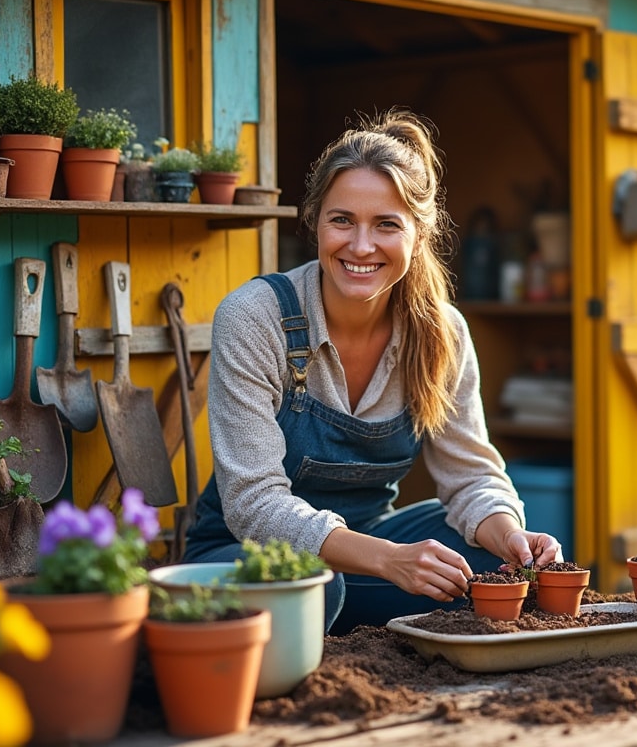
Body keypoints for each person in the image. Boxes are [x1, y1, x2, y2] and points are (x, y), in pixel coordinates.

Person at [184, 108, 562, 633]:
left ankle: (366, 623)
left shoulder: (441, 333)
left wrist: (508, 535)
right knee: (317, 583)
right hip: (243, 555)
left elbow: (472, 475)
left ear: (418, 233)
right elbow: (253, 504)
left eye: (386, 224)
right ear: (315, 220)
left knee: (489, 566)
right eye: (342, 220)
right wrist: (387, 560)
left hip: (373, 545)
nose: (361, 246)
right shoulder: (255, 318)